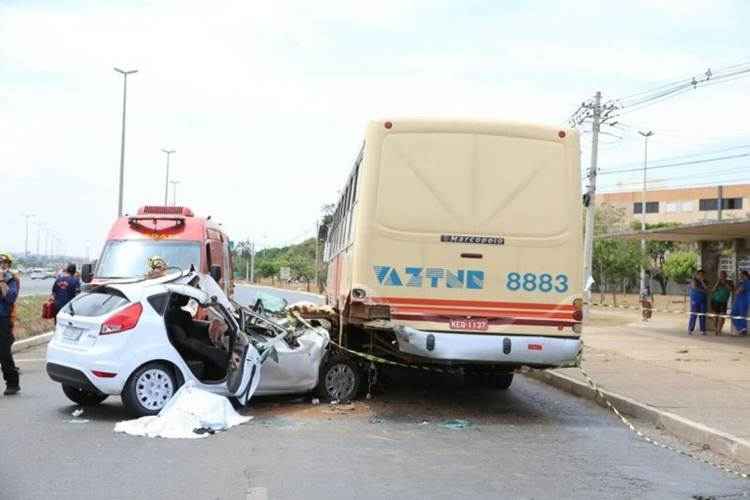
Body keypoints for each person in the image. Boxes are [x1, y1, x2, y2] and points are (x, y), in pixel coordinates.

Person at [0, 253, 20, 395]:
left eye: (4, 263)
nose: (2, 265)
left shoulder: (12, 279)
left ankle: (12, 383)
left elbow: (10, 298)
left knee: (4, 353)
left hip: (3, 319)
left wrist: (1, 281)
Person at [711, 271, 734, 336]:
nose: (722, 277)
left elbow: (731, 289)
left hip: (723, 302)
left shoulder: (730, 282)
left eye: (723, 275)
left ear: (726, 276)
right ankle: (716, 328)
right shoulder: (717, 282)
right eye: (721, 275)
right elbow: (713, 290)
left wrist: (725, 283)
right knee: (715, 317)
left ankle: (718, 330)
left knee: (722, 317)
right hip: (715, 301)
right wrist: (717, 283)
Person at [688, 269, 708, 336]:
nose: (701, 276)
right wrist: (703, 290)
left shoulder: (705, 281)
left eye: (702, 275)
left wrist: (702, 281)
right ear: (697, 275)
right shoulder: (694, 280)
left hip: (703, 300)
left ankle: (703, 330)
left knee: (702, 315)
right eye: (699, 274)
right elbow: (695, 288)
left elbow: (707, 288)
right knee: (693, 315)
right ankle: (690, 329)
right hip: (695, 300)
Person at [731, 270, 750, 336]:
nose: (740, 276)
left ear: (745, 275)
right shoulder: (742, 282)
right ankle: (741, 329)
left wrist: (737, 288)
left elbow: (738, 291)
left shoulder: (746, 282)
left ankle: (742, 329)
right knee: (735, 314)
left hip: (743, 301)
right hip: (739, 301)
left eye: (741, 275)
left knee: (741, 315)